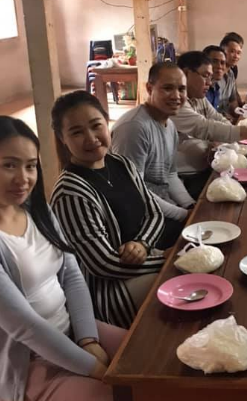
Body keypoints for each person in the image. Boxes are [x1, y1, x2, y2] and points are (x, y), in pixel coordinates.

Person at [0, 116, 127, 401]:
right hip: (30, 361)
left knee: (145, 354)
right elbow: (25, 327)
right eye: (9, 165)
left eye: (30, 166)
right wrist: (95, 368)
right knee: (112, 393)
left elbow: (71, 274)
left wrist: (88, 339)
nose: (23, 178)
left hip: (71, 330)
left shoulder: (36, 209)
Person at [50, 90, 170, 329]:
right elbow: (103, 265)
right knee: (184, 282)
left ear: (107, 123)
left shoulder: (121, 163)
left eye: (96, 126)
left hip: (146, 261)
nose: (91, 138)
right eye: (76, 132)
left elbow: (155, 214)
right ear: (63, 139)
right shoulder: (70, 192)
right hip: (109, 292)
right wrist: (166, 262)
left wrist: (142, 244)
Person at [171, 52, 247, 198]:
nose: (209, 82)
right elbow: (204, 127)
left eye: (210, 77)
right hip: (188, 178)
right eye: (205, 76)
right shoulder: (176, 104)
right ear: (186, 73)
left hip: (208, 167)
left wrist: (234, 135)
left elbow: (218, 119)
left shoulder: (198, 97)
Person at [111, 61, 195, 222]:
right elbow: (134, 190)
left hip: (162, 206)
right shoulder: (134, 127)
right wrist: (183, 215)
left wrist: (190, 206)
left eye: (181, 89)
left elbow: (170, 174)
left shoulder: (169, 125)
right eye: (167, 88)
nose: (176, 96)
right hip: (140, 217)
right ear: (149, 89)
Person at [220, 32, 245, 109]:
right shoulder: (213, 75)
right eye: (232, 51)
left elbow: (233, 101)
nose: (236, 56)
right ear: (222, 51)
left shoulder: (231, 73)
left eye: (238, 53)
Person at [203, 45, 227, 111]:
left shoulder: (216, 87)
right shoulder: (199, 89)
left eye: (222, 63)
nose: (219, 66)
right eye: (214, 61)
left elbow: (213, 114)